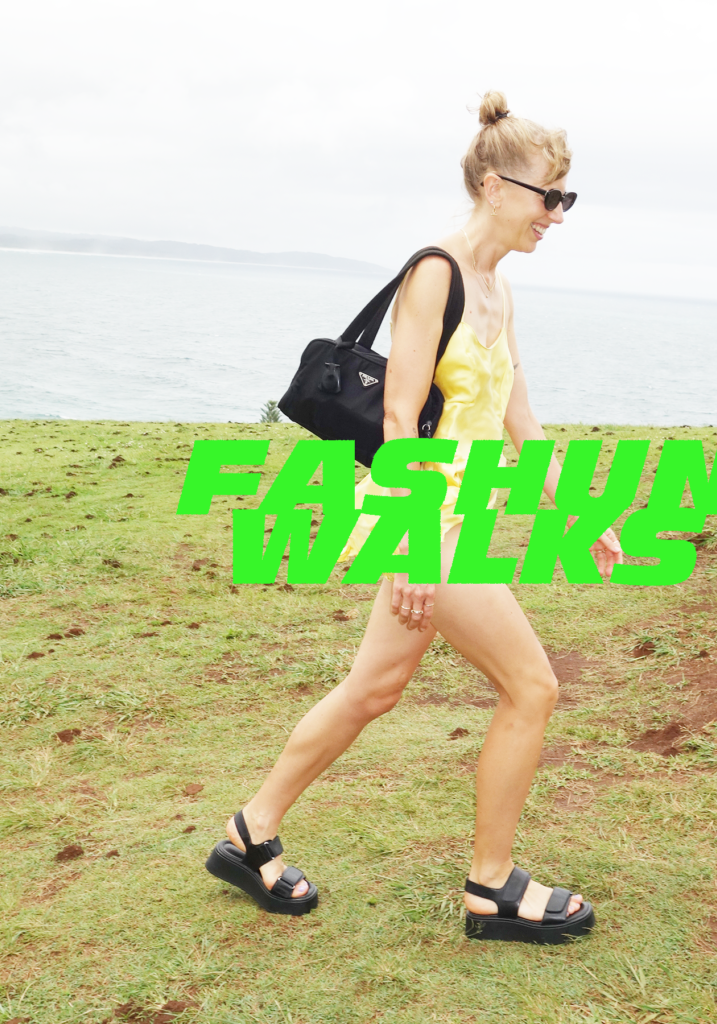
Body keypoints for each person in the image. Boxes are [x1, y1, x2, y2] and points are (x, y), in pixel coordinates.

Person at [206, 90, 623, 944]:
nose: (557, 215)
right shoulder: (434, 274)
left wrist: (581, 508)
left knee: (375, 688)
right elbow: (399, 421)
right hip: (423, 519)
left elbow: (521, 420)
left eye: (566, 198)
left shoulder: (497, 290)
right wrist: (414, 548)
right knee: (532, 687)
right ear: (494, 185)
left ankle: (251, 835)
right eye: (551, 196)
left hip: (451, 515)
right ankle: (493, 885)